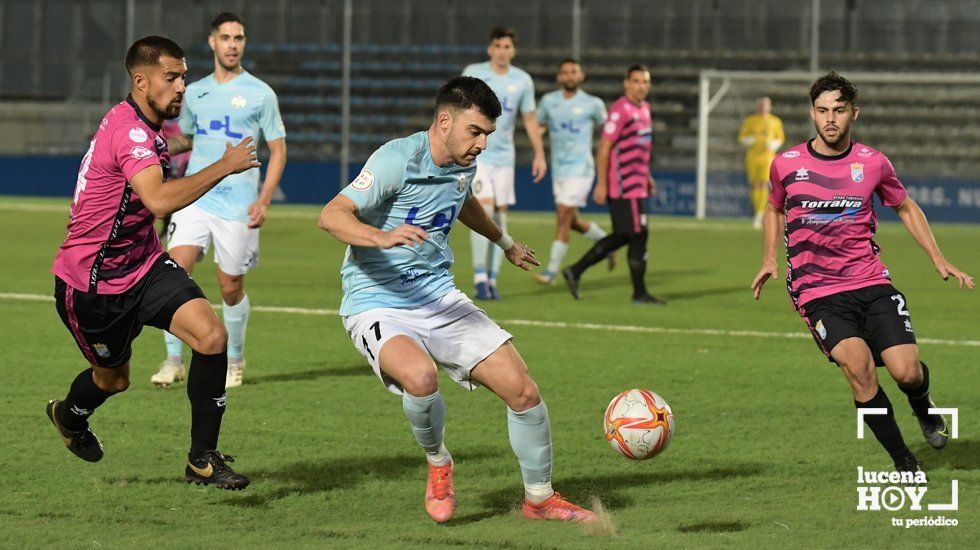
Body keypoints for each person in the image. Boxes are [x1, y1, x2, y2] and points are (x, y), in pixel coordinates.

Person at [318, 76, 596, 524]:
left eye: (488, 134)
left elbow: (462, 200)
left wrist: (504, 241)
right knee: (421, 378)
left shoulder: (463, 163)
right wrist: (381, 237)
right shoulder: (396, 159)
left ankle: (539, 499)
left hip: (439, 296)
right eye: (475, 131)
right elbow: (331, 215)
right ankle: (438, 462)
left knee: (523, 390)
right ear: (444, 121)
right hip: (377, 300)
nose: (482, 143)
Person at [47, 36, 257, 489]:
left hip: (143, 265)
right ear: (141, 81)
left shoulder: (143, 122)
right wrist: (224, 165)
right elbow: (160, 200)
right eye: (172, 77)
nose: (183, 85)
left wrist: (190, 141)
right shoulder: (131, 132)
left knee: (211, 336)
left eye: (183, 75)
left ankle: (202, 458)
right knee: (114, 380)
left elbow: (159, 148)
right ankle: (68, 416)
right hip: (92, 285)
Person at [751, 72, 974, 472]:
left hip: (870, 281)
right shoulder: (786, 164)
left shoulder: (873, 163)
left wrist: (937, 258)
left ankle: (922, 404)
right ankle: (903, 460)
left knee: (907, 372)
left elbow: (905, 206)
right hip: (816, 289)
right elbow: (774, 208)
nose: (830, 119)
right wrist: (770, 258)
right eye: (822, 111)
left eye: (838, 110)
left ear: (854, 113)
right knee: (859, 370)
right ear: (812, 114)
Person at [151, 12, 287, 389]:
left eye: (238, 38)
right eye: (225, 37)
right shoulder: (194, 92)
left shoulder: (261, 93)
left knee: (230, 287)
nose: (232, 44)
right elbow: (189, 139)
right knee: (172, 275)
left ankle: (235, 359)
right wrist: (157, 148)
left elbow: (277, 151)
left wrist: (263, 201)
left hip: (238, 205)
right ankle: (173, 359)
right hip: (196, 198)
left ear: (244, 43)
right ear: (212, 42)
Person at [561, 64, 664, 305]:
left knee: (630, 234)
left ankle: (576, 271)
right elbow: (605, 148)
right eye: (636, 81)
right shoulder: (620, 110)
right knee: (636, 233)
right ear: (626, 83)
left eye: (645, 82)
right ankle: (637, 292)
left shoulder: (645, 109)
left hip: (638, 183)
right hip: (622, 185)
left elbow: (641, 149)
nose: (641, 86)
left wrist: (646, 176)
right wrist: (602, 184)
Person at [462, 27, 547, 300]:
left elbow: (530, 119)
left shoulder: (522, 80)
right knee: (482, 210)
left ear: (513, 50)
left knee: (500, 217)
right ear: (490, 48)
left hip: (505, 158)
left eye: (507, 46)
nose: (502, 51)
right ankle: (479, 278)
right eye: (498, 45)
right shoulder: (474, 73)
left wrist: (539, 153)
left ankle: (493, 279)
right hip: (479, 155)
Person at [533, 58, 614, 285]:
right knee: (572, 221)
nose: (569, 76)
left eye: (573, 72)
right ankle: (607, 242)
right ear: (559, 77)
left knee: (562, 215)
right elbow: (540, 125)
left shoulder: (592, 103)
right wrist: (536, 138)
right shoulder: (549, 102)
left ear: (581, 76)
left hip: (581, 169)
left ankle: (550, 272)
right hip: (560, 169)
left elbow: (609, 130)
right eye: (565, 72)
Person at [738, 96, 784, 229]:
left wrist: (774, 144)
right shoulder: (750, 120)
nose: (763, 107)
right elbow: (741, 136)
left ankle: (759, 214)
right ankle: (759, 211)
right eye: (761, 105)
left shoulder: (775, 121)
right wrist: (749, 140)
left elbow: (780, 137)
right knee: (754, 185)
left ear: (769, 106)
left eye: (766, 105)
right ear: (758, 106)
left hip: (767, 157)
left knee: (764, 184)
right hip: (752, 157)